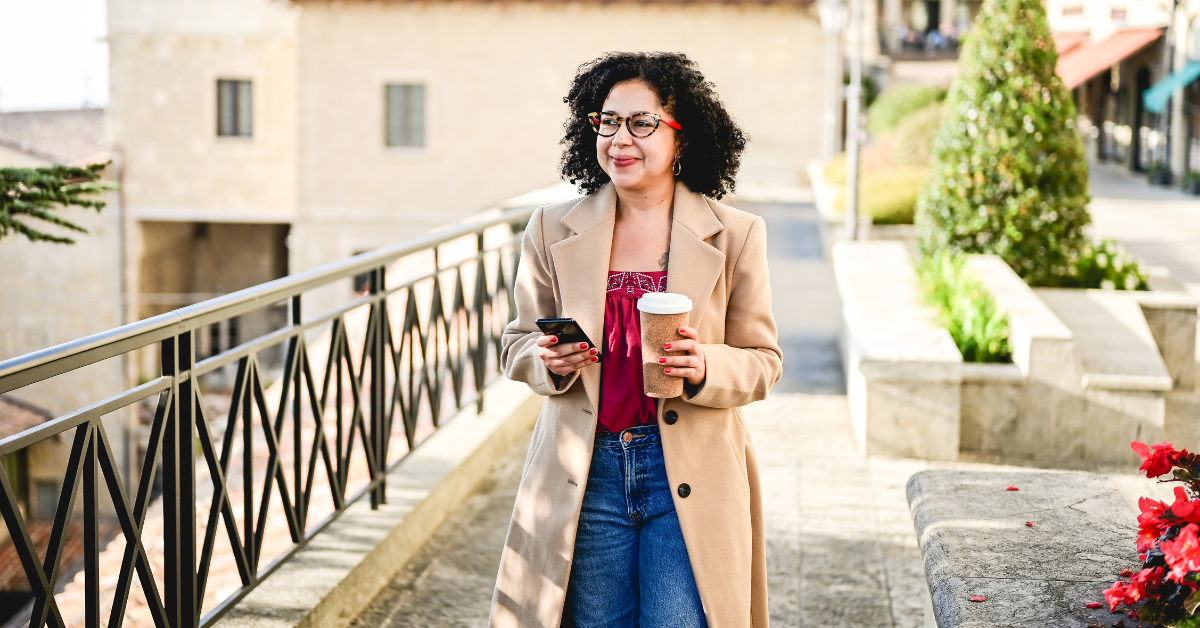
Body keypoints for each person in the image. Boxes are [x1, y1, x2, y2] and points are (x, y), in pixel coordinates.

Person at [488, 52, 782, 628]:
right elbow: (515, 343)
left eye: (642, 123)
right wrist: (548, 361)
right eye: (608, 121)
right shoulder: (551, 229)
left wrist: (703, 365)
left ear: (682, 138)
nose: (620, 138)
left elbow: (764, 362)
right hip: (587, 471)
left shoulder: (738, 234)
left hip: (688, 471)